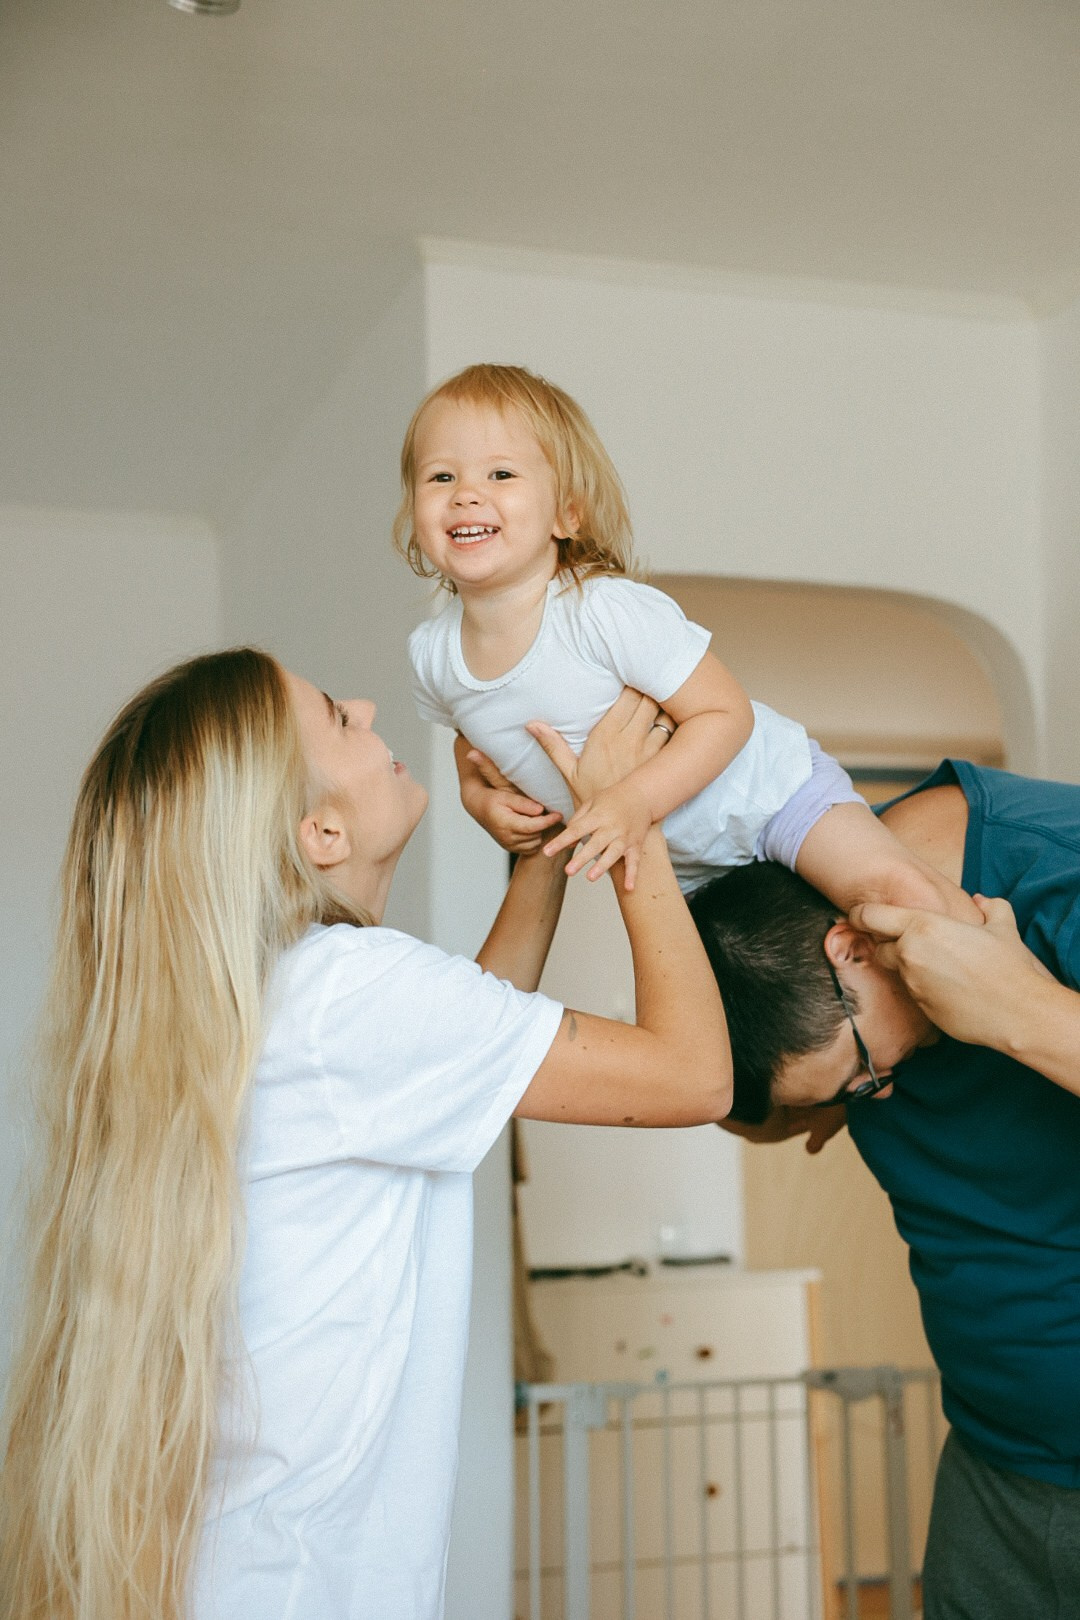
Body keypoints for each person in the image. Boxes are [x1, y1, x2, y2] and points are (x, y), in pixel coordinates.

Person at [0, 650, 732, 1620]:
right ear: (323, 833)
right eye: (338, 720)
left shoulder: (285, 999)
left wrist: (547, 851)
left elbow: (466, 1044)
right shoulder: (350, 994)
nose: (369, 706)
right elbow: (694, 1075)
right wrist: (626, 816)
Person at [687, 758, 1080, 1620]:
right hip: (993, 1468)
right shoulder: (803, 924)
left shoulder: (1052, 864)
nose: (876, 1098)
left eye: (858, 1079)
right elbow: (742, 1105)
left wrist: (1022, 1010)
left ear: (854, 949)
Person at [396, 362, 976, 923]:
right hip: (688, 872)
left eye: (500, 474)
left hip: (773, 798)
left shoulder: (601, 610)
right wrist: (481, 802)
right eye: (441, 476)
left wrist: (634, 801)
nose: (466, 494)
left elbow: (726, 714)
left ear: (566, 515)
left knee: (897, 896)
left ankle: (1004, 960)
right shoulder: (434, 655)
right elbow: (470, 740)